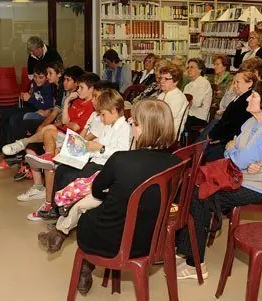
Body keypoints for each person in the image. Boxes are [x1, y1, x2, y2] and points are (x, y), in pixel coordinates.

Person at [175, 81, 262, 279]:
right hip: (240, 176)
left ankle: (196, 264)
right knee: (190, 186)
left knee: (201, 194)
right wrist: (237, 153)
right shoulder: (251, 122)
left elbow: (238, 157)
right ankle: (187, 249)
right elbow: (229, 150)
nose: (248, 98)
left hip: (260, 186)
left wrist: (237, 153)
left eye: (253, 96)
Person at [72, 99, 181, 295]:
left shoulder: (121, 159)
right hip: (154, 240)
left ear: (143, 128)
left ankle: (85, 266)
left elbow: (97, 191)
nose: (131, 124)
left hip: (114, 241)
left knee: (86, 215)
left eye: (135, 122)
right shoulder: (176, 162)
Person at [36, 89, 131, 252]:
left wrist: (99, 148)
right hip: (96, 161)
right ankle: (59, 217)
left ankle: (61, 222)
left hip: (105, 167)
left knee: (73, 178)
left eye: (103, 115)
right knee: (63, 171)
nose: (101, 118)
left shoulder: (123, 128)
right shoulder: (110, 125)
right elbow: (100, 145)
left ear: (114, 111)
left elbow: (120, 153)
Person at [2, 73, 99, 204]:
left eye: (81, 87)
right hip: (63, 133)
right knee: (32, 147)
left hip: (71, 139)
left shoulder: (92, 106)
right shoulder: (76, 101)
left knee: (48, 131)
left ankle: (23, 144)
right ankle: (38, 187)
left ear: (92, 89)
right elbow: (65, 121)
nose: (78, 90)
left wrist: (67, 123)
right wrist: (68, 101)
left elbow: (75, 127)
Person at [0, 62, 56, 171]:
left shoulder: (49, 87)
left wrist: (30, 99)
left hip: (40, 112)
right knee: (6, 113)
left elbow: (47, 107)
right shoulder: (34, 83)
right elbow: (31, 97)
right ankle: (2, 150)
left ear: (46, 77)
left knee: (15, 119)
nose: (37, 80)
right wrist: (27, 95)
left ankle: (11, 158)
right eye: (35, 77)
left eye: (41, 77)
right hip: (34, 108)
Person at [202, 59, 262, 162]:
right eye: (234, 82)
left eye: (237, 82)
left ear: (250, 83)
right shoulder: (241, 96)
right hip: (225, 136)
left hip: (230, 140)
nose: (234, 85)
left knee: (205, 152)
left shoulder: (245, 100)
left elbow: (233, 125)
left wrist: (215, 136)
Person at [156, 65, 188, 139]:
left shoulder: (178, 97)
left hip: (169, 135)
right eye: (161, 78)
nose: (161, 81)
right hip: (159, 130)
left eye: (166, 79)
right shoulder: (162, 95)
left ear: (175, 82)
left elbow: (166, 119)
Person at [183, 58, 213, 131]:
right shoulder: (188, 85)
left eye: (192, 67)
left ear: (200, 70)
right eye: (188, 67)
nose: (189, 69)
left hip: (198, 117)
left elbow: (197, 103)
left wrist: (186, 102)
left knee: (180, 122)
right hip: (188, 114)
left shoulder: (204, 83)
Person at [209, 55, 234, 119]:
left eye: (217, 64)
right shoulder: (211, 78)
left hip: (221, 107)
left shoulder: (231, 79)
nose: (214, 67)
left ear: (225, 65)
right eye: (214, 64)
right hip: (209, 105)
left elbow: (227, 95)